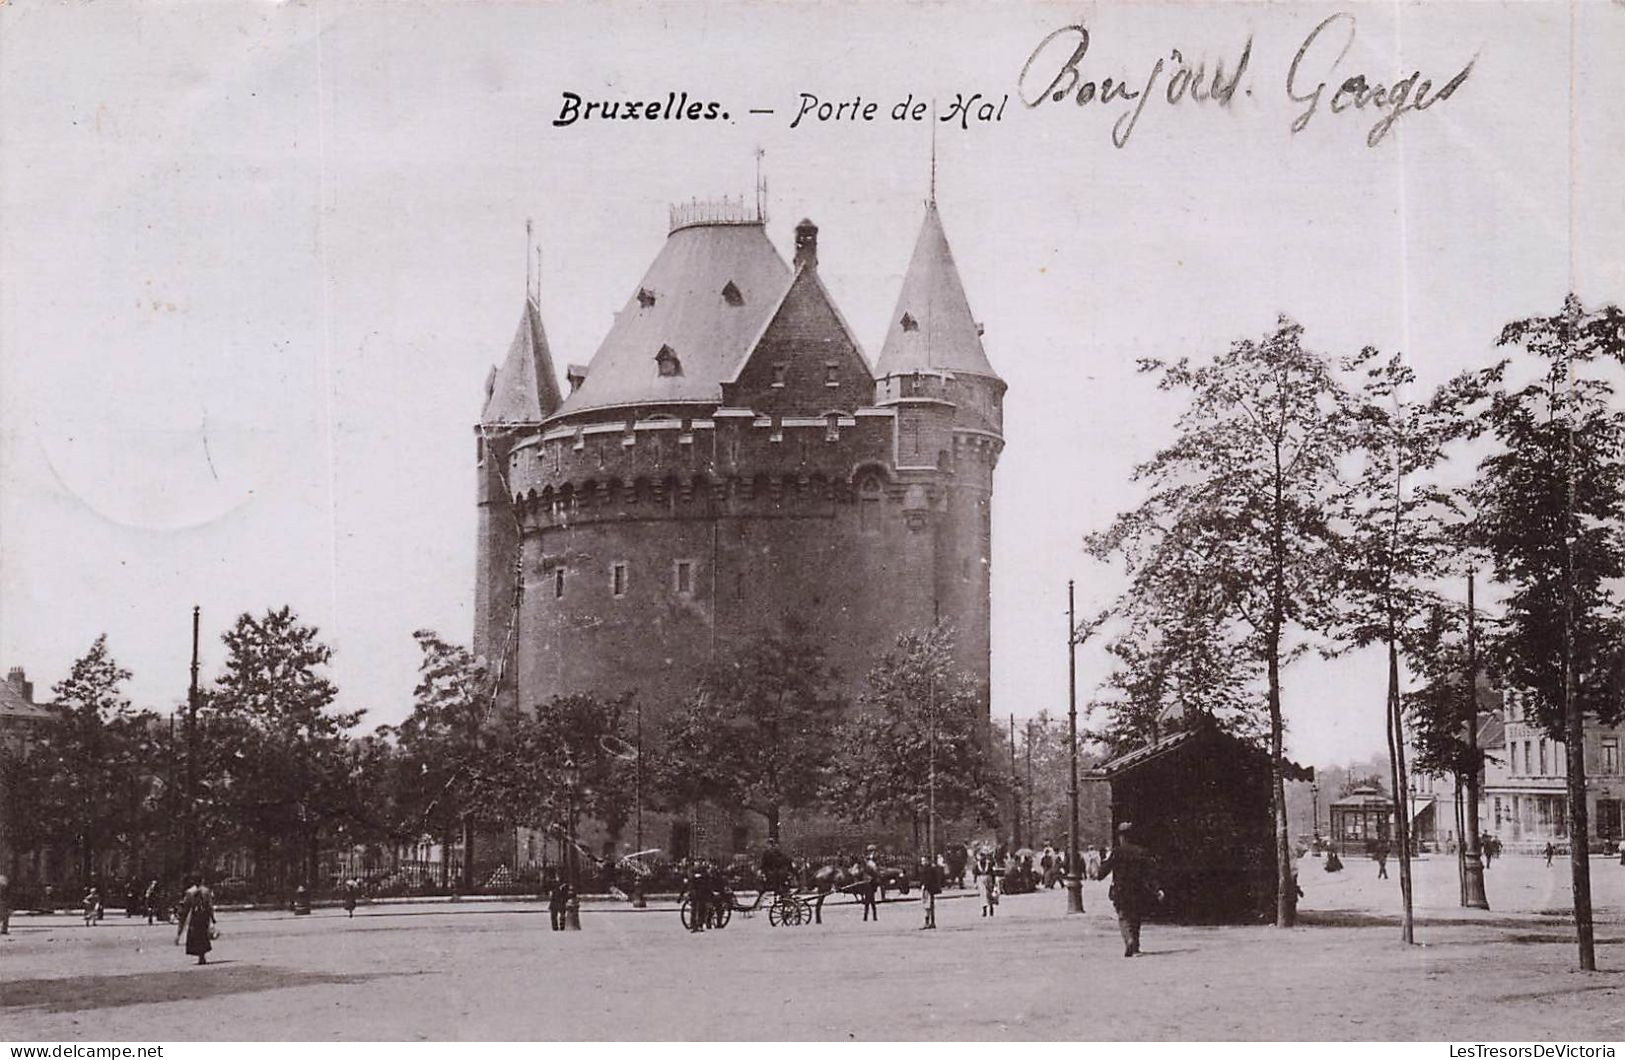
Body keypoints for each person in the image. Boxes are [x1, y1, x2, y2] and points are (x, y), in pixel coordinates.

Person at [1099, 822, 1162, 958]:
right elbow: (1150, 874)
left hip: (1121, 890)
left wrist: (1102, 867)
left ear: (1121, 837)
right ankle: (1136, 947)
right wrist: (1157, 890)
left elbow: (1103, 872)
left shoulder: (1117, 852)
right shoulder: (1142, 852)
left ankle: (1129, 940)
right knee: (1136, 917)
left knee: (1123, 917)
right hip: (1138, 890)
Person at [176, 874, 216, 965]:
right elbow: (209, 906)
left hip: (195, 916)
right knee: (203, 935)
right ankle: (202, 956)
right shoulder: (206, 891)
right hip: (204, 916)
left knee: (195, 935)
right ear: (202, 880)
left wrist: (182, 917)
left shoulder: (190, 892)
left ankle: (199, 955)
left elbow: (186, 906)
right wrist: (212, 918)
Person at [918, 856, 942, 930]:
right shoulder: (925, 869)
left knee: (928, 906)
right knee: (928, 906)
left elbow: (929, 880)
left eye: (924, 861)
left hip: (928, 889)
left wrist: (924, 885)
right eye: (922, 861)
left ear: (927, 861)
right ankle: (931, 922)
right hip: (927, 889)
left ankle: (928, 922)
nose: (923, 862)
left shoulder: (930, 869)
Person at [977, 851, 999, 917]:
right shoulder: (977, 864)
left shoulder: (989, 864)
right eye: (981, 857)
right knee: (983, 895)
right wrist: (975, 882)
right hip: (981, 879)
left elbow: (993, 873)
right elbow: (975, 873)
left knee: (989, 894)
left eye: (983, 856)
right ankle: (984, 910)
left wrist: (994, 882)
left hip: (989, 879)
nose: (982, 858)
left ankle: (991, 908)